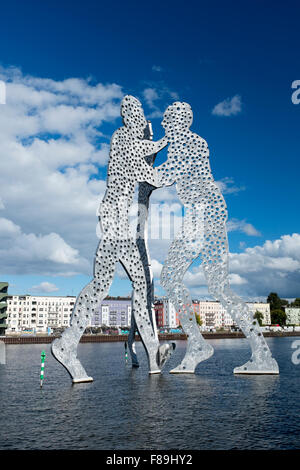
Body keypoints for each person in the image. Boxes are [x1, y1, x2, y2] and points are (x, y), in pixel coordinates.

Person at [51, 95, 174, 382]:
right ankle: (68, 345)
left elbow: (148, 156)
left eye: (140, 114)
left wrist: (160, 144)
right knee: (124, 285)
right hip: (115, 222)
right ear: (128, 116)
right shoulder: (122, 139)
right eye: (135, 113)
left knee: (114, 284)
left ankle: (70, 345)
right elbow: (149, 171)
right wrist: (171, 146)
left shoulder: (130, 141)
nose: (139, 118)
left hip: (115, 221)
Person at [156, 101, 279, 374]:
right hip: (207, 212)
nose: (164, 125)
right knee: (205, 284)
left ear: (178, 122)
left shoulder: (187, 143)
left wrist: (137, 169)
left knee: (180, 279)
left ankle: (212, 346)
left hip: (204, 213)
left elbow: (167, 173)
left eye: (167, 120)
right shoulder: (190, 142)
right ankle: (253, 354)